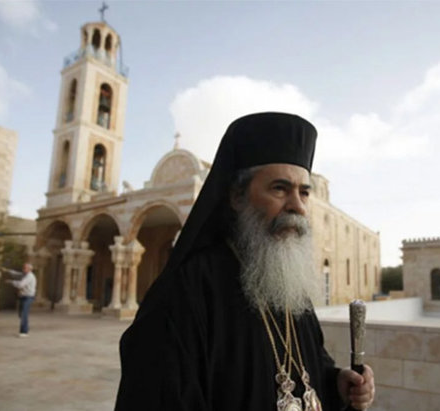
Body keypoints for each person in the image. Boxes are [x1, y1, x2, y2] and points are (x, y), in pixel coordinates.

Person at [116, 112, 375, 410]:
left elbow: (309, 364)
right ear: (237, 197)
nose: (297, 207)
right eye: (280, 189)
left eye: (304, 193)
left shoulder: (288, 285)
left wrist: (336, 382)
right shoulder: (186, 290)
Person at [3, 263, 36, 338]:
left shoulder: (29, 276)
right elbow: (17, 274)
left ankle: (24, 331)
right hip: (22, 296)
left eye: (25, 268)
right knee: (21, 314)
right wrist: (8, 271)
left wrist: (11, 282)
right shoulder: (24, 274)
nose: (23, 269)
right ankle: (26, 327)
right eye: (23, 268)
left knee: (24, 313)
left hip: (28, 297)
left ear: (30, 269)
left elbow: (21, 284)